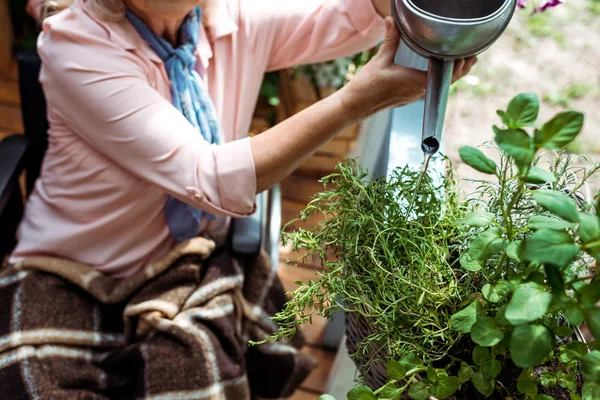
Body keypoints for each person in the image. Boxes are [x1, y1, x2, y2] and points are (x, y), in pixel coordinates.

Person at [0, 0, 476, 398]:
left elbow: (342, 18)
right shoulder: (77, 45)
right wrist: (354, 102)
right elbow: (208, 177)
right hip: (71, 266)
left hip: (184, 258)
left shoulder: (225, 15)